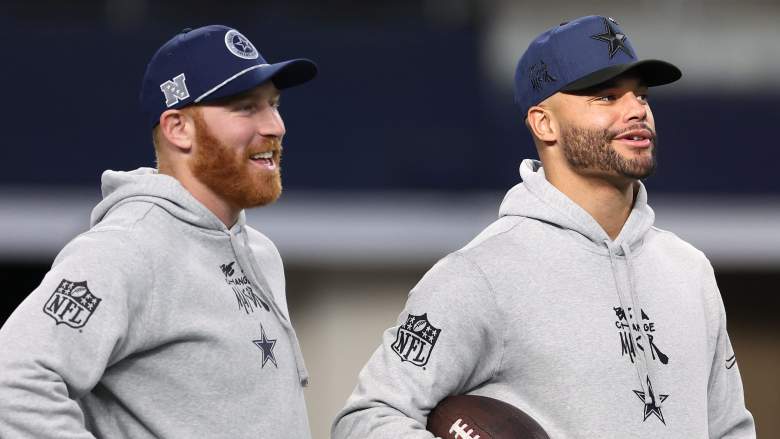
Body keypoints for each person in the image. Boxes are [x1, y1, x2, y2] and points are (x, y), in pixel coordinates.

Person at [332, 15, 755, 438]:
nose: (637, 111)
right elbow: (367, 418)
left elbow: (730, 428)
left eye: (641, 96)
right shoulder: (482, 274)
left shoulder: (689, 270)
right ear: (544, 123)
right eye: (607, 97)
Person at [0, 24, 317, 438]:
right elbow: (13, 382)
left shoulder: (260, 251)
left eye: (273, 104)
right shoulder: (126, 248)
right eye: (245, 107)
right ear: (177, 128)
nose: (275, 125)